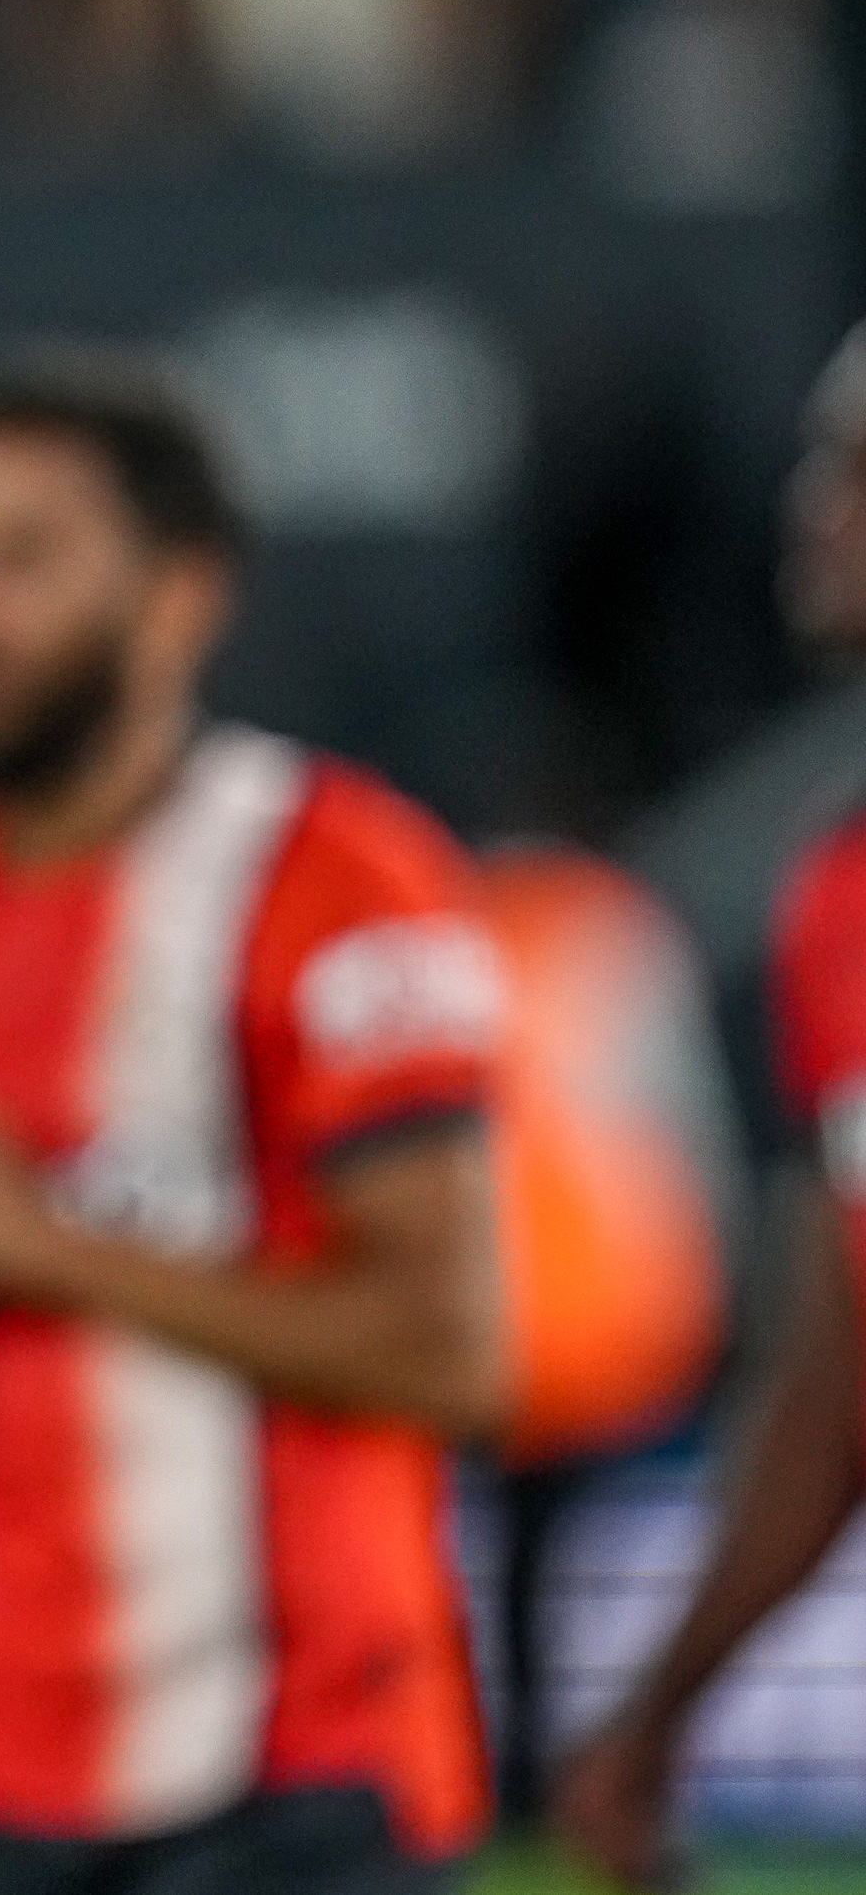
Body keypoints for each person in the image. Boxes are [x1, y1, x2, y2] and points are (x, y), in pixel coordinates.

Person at [0, 344, 504, 1893]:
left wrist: (53, 1243)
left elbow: (452, 1347)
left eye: (19, 558)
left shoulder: (338, 875)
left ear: (179, 595)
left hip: (303, 1775)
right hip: (3, 1766)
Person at [553, 322, 866, 1891]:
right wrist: (662, 1707)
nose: (819, 505)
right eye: (819, 462)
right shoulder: (835, 898)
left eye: (860, 467)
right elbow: (839, 1367)